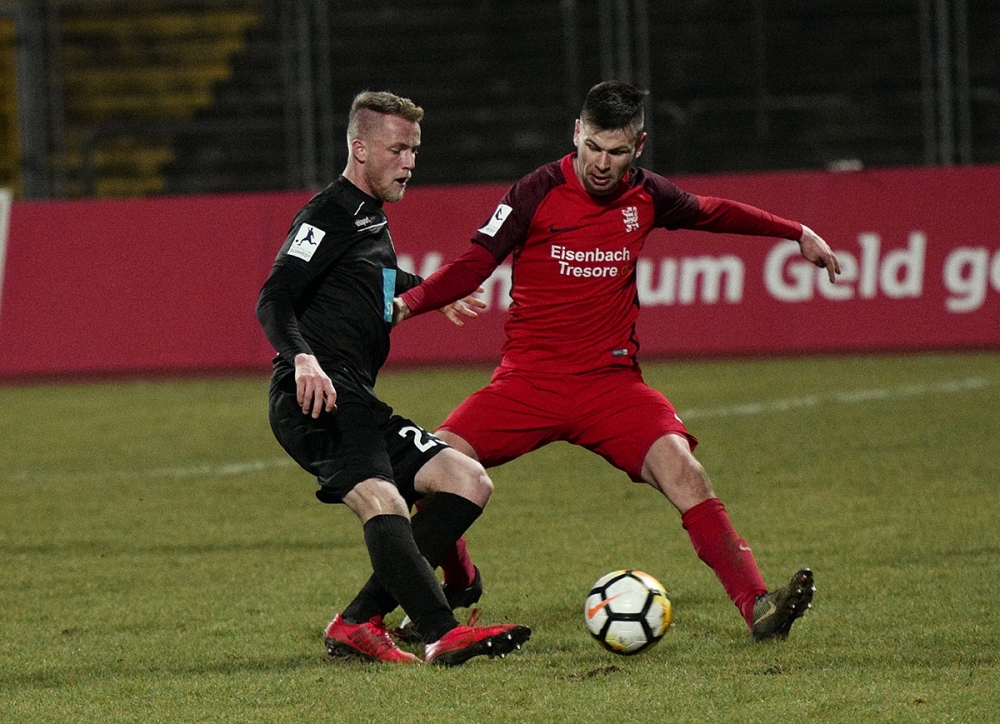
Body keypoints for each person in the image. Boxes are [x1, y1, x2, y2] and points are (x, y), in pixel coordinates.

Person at [394, 80, 836, 642]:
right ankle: (458, 583)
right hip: (527, 383)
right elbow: (474, 264)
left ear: (639, 146)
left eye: (617, 151)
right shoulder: (535, 191)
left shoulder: (647, 195)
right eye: (593, 147)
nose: (602, 164)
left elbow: (713, 212)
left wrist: (796, 231)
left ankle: (758, 606)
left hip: (611, 386)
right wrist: (407, 304)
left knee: (685, 471)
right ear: (577, 133)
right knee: (430, 468)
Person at [255, 90, 530, 665]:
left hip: (355, 395)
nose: (409, 163)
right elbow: (275, 295)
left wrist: (426, 291)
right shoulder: (328, 212)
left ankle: (357, 621)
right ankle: (440, 632)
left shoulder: (368, 216)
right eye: (397, 150)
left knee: (466, 480)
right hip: (317, 395)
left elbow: (370, 276)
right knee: (382, 500)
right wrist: (302, 358)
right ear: (359, 149)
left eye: (414, 150)